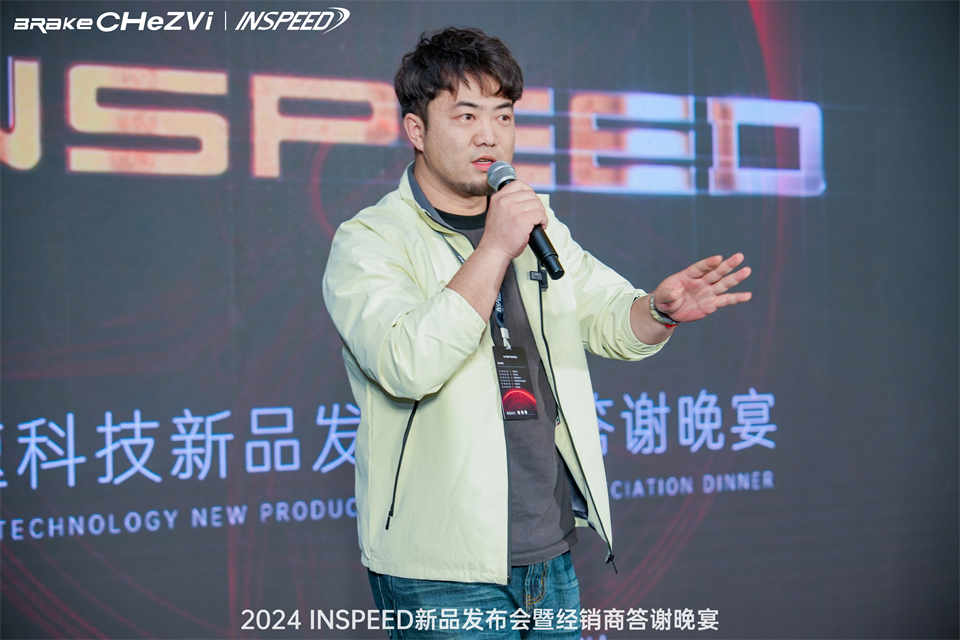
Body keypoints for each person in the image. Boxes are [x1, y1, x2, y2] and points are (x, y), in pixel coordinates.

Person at [322, 27, 751, 638]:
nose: (489, 135)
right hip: (438, 566)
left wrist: (658, 310)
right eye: (466, 115)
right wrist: (495, 247)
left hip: (548, 549)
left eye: (503, 115)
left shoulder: (533, 220)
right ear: (416, 130)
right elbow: (406, 363)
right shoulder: (370, 241)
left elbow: (606, 316)